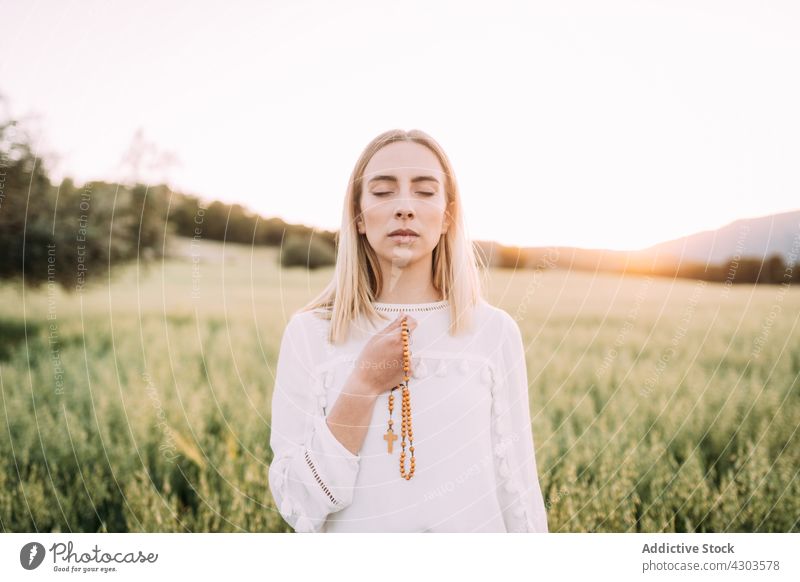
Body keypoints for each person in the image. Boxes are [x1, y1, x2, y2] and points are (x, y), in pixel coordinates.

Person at [267, 129, 548, 533]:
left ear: (447, 216)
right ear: (359, 217)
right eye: (382, 192)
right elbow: (297, 504)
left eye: (424, 191)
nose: (404, 207)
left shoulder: (495, 332)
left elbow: (519, 492)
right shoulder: (310, 334)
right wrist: (361, 387)